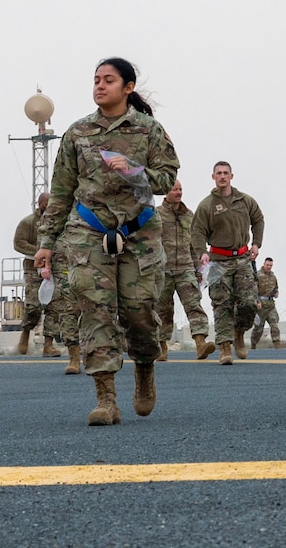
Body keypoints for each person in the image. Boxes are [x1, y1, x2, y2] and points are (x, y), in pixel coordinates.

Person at [35, 58, 181, 425]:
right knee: (95, 311)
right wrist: (46, 242)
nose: (100, 86)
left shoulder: (149, 130)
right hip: (89, 232)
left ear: (128, 87)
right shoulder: (77, 133)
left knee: (139, 313)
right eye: (96, 80)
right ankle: (106, 399)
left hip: (139, 233)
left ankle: (145, 366)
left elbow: (166, 181)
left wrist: (134, 170)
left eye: (108, 80)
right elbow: (61, 192)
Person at [196, 162, 265, 363]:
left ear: (232, 176)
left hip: (243, 258)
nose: (222, 176)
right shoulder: (206, 205)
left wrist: (256, 243)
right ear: (213, 177)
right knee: (221, 304)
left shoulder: (245, 200)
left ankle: (239, 332)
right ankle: (224, 347)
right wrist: (202, 252)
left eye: (226, 173)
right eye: (219, 173)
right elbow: (197, 231)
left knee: (250, 302)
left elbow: (258, 219)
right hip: (218, 260)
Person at [157, 184, 213, 360]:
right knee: (161, 311)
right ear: (166, 191)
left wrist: (199, 271)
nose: (179, 192)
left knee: (194, 305)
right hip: (162, 270)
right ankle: (161, 348)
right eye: (174, 189)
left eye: (180, 189)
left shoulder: (190, 216)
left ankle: (200, 344)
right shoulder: (156, 215)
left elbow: (195, 244)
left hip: (185, 268)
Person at [13, 195, 48, 354]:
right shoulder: (28, 223)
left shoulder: (59, 222)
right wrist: (39, 253)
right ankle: (26, 331)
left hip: (54, 266)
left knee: (54, 306)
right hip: (33, 268)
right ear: (41, 204)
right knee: (33, 303)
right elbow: (19, 242)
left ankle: (49, 343)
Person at [251, 257, 283, 350]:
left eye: (271, 265)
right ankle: (253, 345)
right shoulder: (258, 275)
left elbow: (275, 287)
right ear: (264, 264)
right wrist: (257, 302)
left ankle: (277, 346)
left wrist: (276, 292)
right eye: (267, 265)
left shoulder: (273, 277)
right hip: (261, 305)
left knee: (274, 325)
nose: (269, 267)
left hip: (271, 305)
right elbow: (253, 290)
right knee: (258, 328)